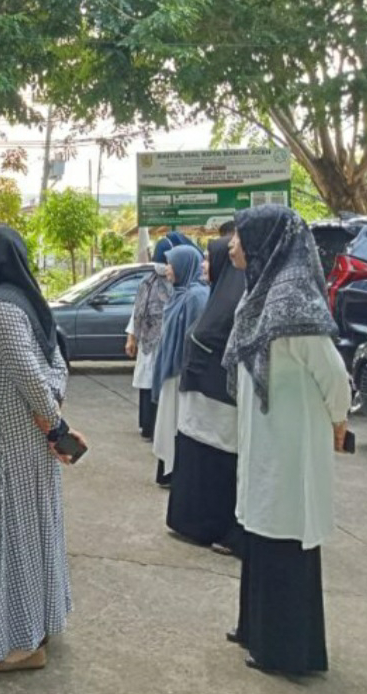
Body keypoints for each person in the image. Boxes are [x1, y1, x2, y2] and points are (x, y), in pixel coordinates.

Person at [222, 205, 349, 675]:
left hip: (290, 447)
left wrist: (339, 420)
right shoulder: (258, 293)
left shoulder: (294, 303)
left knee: (283, 535)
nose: (232, 244)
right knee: (260, 530)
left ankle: (285, 651)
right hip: (265, 442)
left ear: (266, 242)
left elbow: (334, 376)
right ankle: (256, 630)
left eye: (240, 236)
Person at [0, 225, 86, 672]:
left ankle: (20, 644)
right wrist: (52, 415)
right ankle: (36, 622)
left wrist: (53, 423)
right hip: (23, 440)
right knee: (31, 530)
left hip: (6, 444)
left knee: (10, 533)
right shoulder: (26, 299)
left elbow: (33, 375)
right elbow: (56, 363)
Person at [167, 235, 244, 552]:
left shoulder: (234, 298)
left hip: (221, 403)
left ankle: (216, 526)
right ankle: (193, 524)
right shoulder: (218, 295)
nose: (204, 264)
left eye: (210, 259)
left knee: (217, 466)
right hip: (200, 400)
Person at [152, 245, 209, 487]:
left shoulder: (196, 297)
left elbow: (194, 338)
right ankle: (168, 471)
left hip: (179, 373)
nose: (168, 270)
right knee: (168, 424)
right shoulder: (178, 295)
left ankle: (176, 473)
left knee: (176, 424)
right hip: (170, 371)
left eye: (172, 265)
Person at [125, 239, 176, 439]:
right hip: (147, 341)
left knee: (160, 384)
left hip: (166, 341)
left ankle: (158, 428)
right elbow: (136, 311)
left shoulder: (177, 282)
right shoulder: (147, 283)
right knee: (146, 383)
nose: (162, 266)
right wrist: (132, 338)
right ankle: (147, 426)